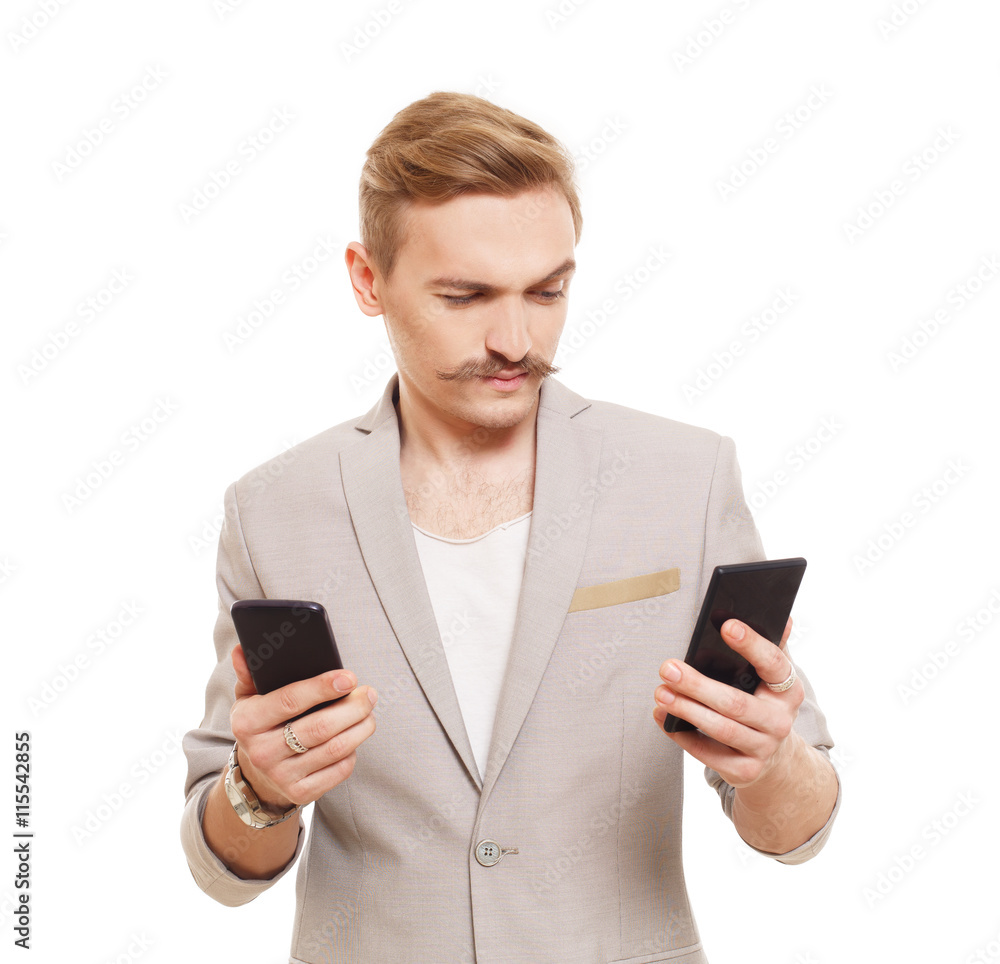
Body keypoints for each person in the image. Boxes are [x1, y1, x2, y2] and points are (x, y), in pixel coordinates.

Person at [181, 91, 840, 964]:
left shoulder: (683, 479)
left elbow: (798, 830)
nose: (514, 339)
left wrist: (773, 761)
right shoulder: (272, 510)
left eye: (548, 291)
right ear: (366, 279)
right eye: (464, 295)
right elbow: (226, 869)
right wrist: (259, 788)